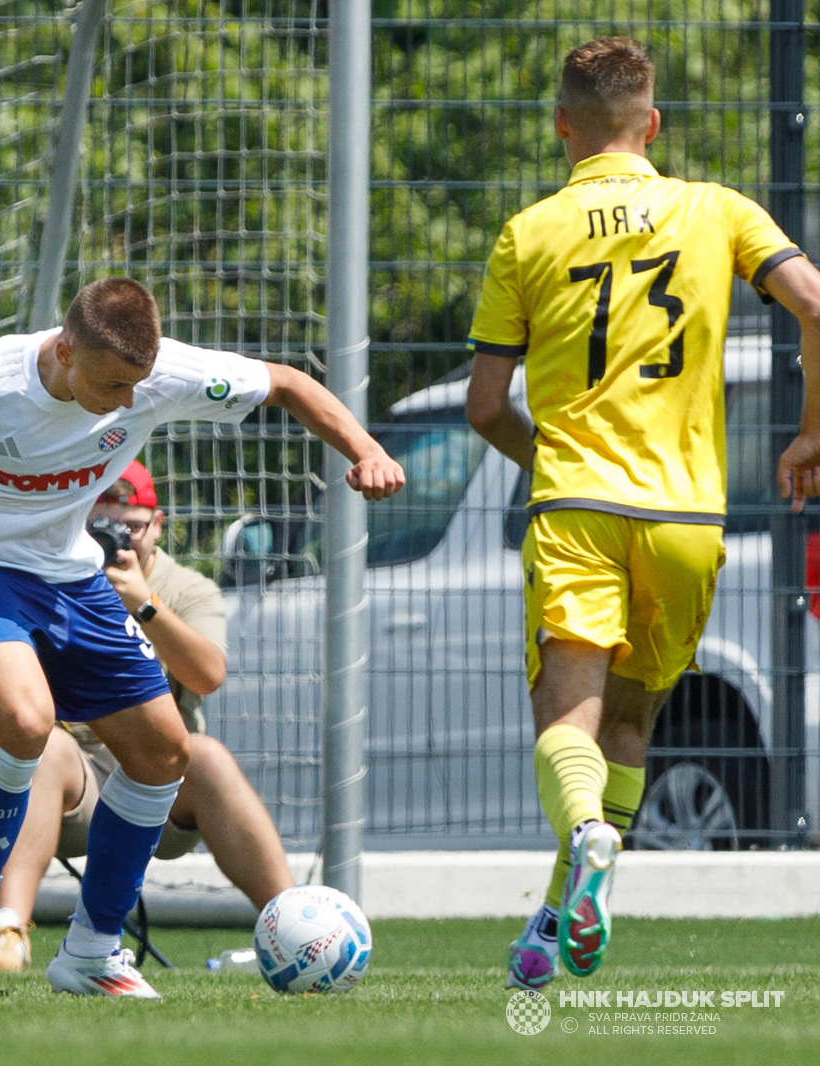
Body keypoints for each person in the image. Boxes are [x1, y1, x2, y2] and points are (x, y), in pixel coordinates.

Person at [0, 277, 404, 998]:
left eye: (137, 385)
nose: (128, 402)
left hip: (71, 577)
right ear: (65, 351)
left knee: (165, 752)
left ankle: (93, 951)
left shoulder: (156, 376)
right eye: (111, 385)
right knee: (25, 719)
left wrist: (365, 448)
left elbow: (288, 384)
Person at [465, 37, 820, 992]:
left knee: (565, 722)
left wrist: (554, 459)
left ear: (561, 127)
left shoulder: (528, 232)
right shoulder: (719, 210)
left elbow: (486, 407)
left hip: (577, 504)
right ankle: (554, 924)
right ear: (652, 125)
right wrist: (809, 436)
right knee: (630, 722)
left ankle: (585, 838)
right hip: (687, 517)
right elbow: (816, 303)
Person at [0, 459, 295, 973]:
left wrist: (142, 603)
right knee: (47, 750)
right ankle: (7, 929)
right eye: (97, 524)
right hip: (71, 782)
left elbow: (208, 675)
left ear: (158, 524)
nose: (115, 538)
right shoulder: (46, 576)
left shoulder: (186, 588)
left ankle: (295, 928)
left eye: (130, 525)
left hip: (161, 781)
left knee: (208, 757)